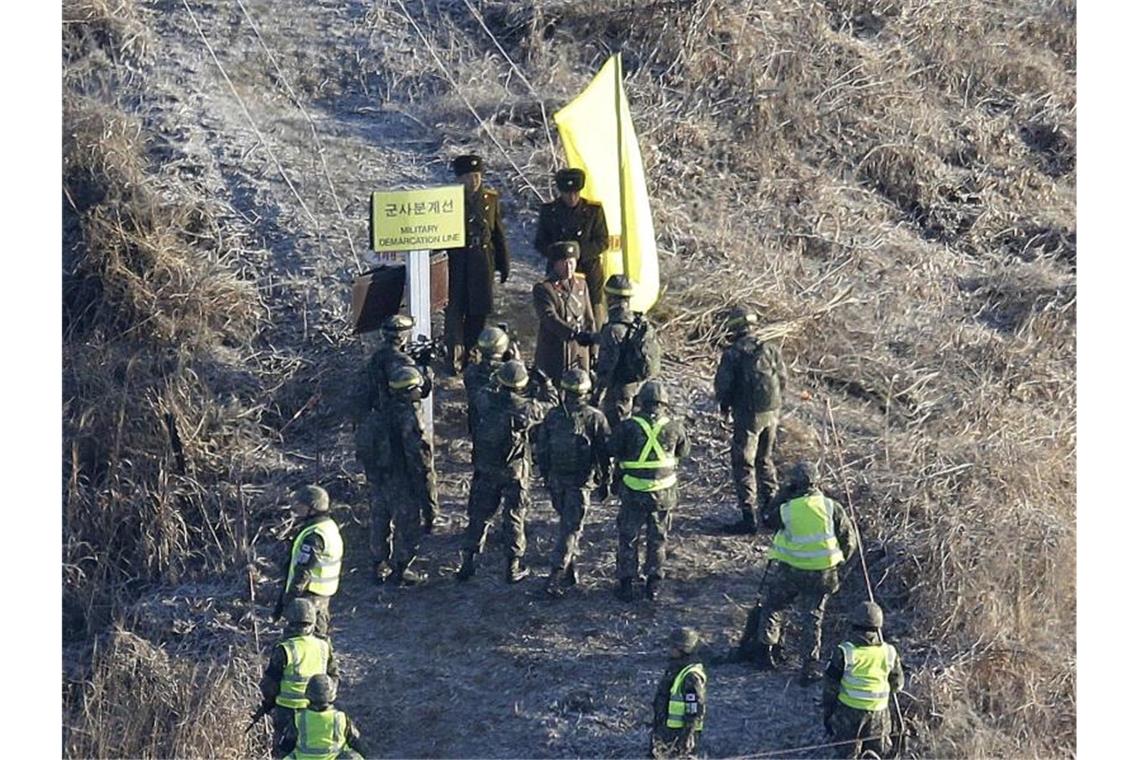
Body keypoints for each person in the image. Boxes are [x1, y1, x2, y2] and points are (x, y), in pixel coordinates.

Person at [739, 460, 859, 684]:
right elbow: (849, 542)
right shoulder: (832, 507)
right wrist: (838, 563)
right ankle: (810, 665)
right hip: (823, 574)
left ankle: (766, 650)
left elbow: (767, 520)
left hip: (792, 571)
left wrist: (782, 494)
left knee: (774, 606)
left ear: (794, 484)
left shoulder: (787, 509)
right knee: (812, 617)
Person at [458, 360, 556, 583]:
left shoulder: (485, 400)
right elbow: (552, 404)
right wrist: (546, 383)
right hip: (515, 471)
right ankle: (512, 566)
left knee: (478, 515)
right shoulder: (527, 408)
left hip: (485, 467)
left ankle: (468, 563)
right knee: (514, 517)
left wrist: (498, 372)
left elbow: (481, 388)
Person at [533, 368, 612, 597]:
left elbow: (543, 449)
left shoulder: (553, 416)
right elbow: (604, 452)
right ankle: (556, 574)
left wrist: (546, 476)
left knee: (567, 523)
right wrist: (606, 480)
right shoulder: (595, 417)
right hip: (580, 482)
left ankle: (569, 571)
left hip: (557, 480)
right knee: (571, 528)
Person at [610, 381, 690, 602]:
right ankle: (653, 584)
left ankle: (626, 584)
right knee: (658, 538)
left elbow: (613, 449)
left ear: (640, 401)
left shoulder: (628, 426)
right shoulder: (675, 427)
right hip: (663, 494)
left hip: (633, 491)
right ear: (664, 402)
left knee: (628, 537)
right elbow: (684, 451)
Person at [714, 305, 787, 535]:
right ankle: (770, 513)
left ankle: (748, 518)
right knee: (765, 460)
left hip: (747, 415)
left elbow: (723, 387)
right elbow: (782, 379)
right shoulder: (770, 349)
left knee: (743, 463)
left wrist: (724, 407)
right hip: (772, 412)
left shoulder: (733, 353)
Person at [370, 365, 438, 586]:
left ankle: (379, 564)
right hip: (403, 477)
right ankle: (401, 569)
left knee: (380, 519)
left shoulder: (381, 409)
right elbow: (420, 458)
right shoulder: (411, 418)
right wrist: (429, 499)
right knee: (407, 523)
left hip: (381, 474)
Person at [445, 154, 510, 375]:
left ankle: (472, 354)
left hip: (482, 262)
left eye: (477, 176)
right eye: (468, 177)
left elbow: (497, 233)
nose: (474, 181)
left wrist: (503, 264)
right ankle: (454, 356)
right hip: (457, 261)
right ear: (459, 179)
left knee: (479, 310)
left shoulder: (490, 199)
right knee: (455, 309)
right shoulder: (449, 200)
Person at [822, 602, 905, 759]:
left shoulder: (844, 651)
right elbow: (897, 685)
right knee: (879, 754)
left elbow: (830, 687)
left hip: (849, 713)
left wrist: (828, 713)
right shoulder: (889, 652)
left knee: (847, 754)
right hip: (879, 714)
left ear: (853, 624)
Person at [258, 599, 340, 753]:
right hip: (315, 711)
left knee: (283, 752)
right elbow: (334, 676)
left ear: (289, 620)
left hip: (286, 711)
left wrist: (268, 702)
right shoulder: (323, 646)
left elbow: (270, 685)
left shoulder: (284, 649)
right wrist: (326, 700)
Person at [534, 167, 609, 326]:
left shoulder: (593, 211)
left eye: (575, 192)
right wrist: (558, 255)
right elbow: (540, 242)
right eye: (568, 193)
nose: (572, 197)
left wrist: (577, 254)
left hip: (588, 272)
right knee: (561, 316)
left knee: (594, 319)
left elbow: (602, 240)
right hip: (559, 274)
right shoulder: (550, 212)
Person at [586, 274, 662, 428]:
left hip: (619, 390)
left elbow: (606, 368)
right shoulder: (637, 322)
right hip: (638, 386)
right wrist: (593, 338)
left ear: (610, 298)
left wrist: (596, 396)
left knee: (618, 429)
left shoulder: (612, 329)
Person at [274, 486, 343, 639]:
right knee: (319, 642)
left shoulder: (314, 535)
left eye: (300, 506)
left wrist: (289, 599)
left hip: (308, 597)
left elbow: (303, 570)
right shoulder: (329, 527)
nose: (296, 510)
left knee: (300, 642)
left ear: (312, 508)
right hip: (322, 597)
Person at [533, 241, 596, 385]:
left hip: (579, 354)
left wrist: (594, 350)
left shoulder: (581, 284)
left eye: (572, 262)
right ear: (555, 264)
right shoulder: (544, 288)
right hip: (555, 353)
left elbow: (588, 319)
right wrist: (572, 333)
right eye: (564, 263)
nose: (569, 267)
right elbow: (549, 317)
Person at [279, 675, 368, 760]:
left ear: (308, 694)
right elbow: (358, 744)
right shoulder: (340, 718)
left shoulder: (299, 718)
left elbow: (286, 746)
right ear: (332, 695)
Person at [650, 627, 707, 759]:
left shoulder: (691, 676)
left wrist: (688, 735)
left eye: (673, 646)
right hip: (666, 729)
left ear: (684, 649)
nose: (669, 649)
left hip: (679, 734)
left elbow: (694, 709)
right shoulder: (675, 668)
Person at [463, 325, 511, 437]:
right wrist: (516, 362)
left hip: (478, 426)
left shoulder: (471, 371)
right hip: (503, 430)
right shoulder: (505, 372)